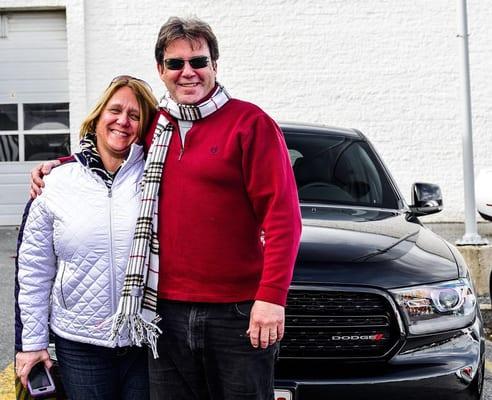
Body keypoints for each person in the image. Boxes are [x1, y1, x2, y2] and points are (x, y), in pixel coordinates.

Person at [30, 17, 302, 400]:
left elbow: (283, 219)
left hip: (235, 314)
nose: (187, 72)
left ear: (215, 66)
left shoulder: (250, 124)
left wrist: (271, 298)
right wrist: (60, 166)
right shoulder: (157, 126)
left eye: (198, 61)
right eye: (175, 64)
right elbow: (112, 147)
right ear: (161, 70)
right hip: (165, 313)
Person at [16, 76, 158, 400]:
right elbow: (35, 272)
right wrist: (33, 344)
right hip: (80, 344)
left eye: (134, 116)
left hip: (145, 341)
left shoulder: (158, 179)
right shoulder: (56, 183)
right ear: (97, 116)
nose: (123, 121)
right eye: (115, 110)